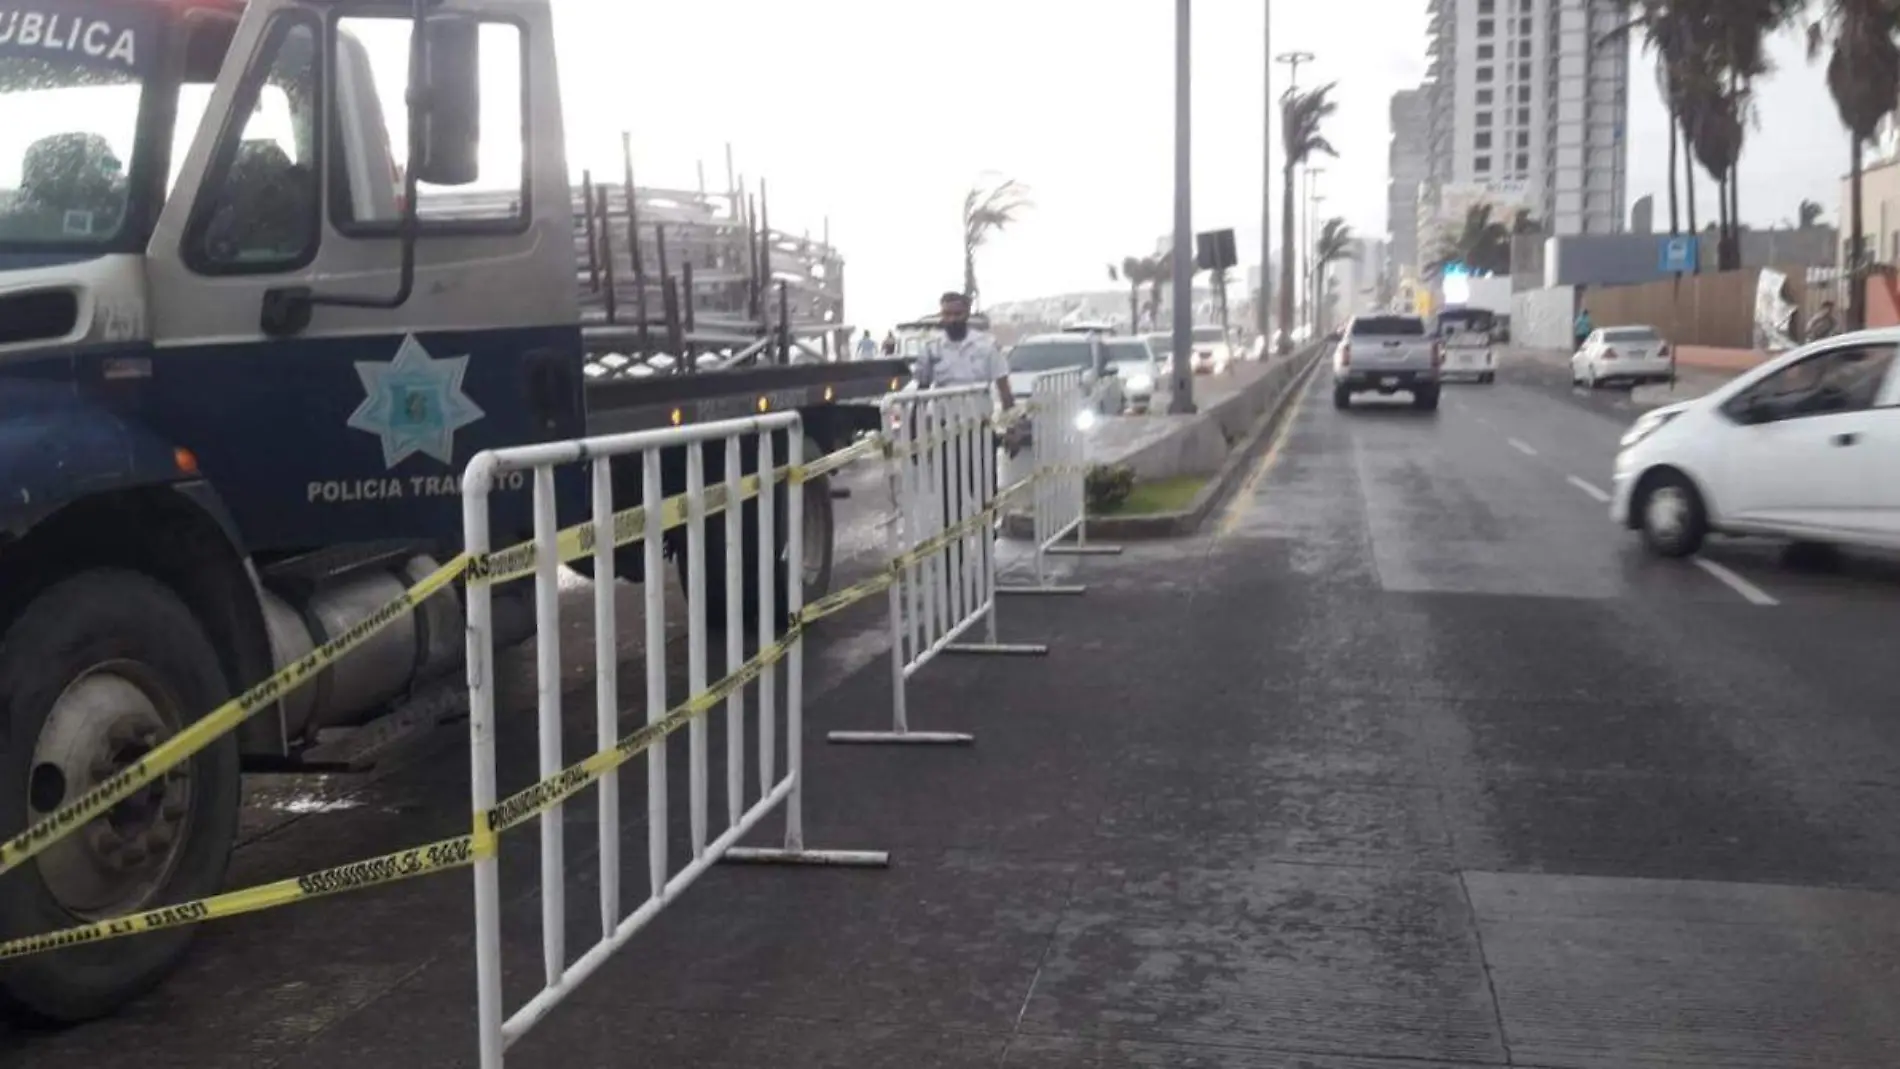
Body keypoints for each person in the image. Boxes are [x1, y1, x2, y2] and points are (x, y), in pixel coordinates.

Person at [911, 291, 1020, 592]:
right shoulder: (932, 349)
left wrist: (1012, 429)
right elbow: (919, 393)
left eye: (957, 314)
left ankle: (986, 561)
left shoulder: (986, 347)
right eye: (946, 314)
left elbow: (1004, 391)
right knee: (949, 505)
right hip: (947, 435)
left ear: (967, 314)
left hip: (980, 432)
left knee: (985, 498)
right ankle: (952, 571)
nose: (951, 320)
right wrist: (914, 434)